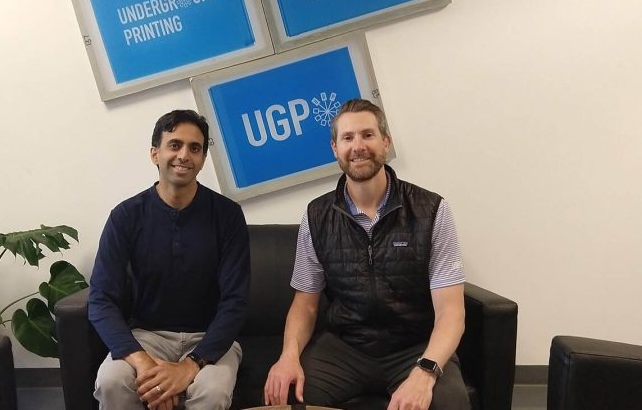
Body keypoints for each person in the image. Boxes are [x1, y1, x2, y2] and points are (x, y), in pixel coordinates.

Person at [264, 98, 469, 410]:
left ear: (385, 142)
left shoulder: (431, 210)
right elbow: (305, 307)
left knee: (449, 405)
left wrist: (425, 372)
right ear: (335, 148)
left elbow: (451, 312)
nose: (357, 146)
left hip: (413, 345)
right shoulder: (316, 215)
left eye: (367, 135)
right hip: (345, 347)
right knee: (289, 399)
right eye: (347, 138)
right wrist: (288, 357)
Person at [89, 109, 250, 410]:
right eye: (174, 145)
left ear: (202, 158)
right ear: (155, 154)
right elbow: (101, 299)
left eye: (195, 148)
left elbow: (235, 301)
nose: (184, 155)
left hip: (210, 338)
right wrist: (144, 364)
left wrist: (189, 367)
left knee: (212, 392)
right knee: (112, 382)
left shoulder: (227, 216)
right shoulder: (125, 217)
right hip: (147, 336)